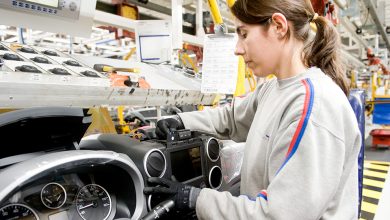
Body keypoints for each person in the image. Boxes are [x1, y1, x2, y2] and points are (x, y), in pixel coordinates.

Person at [144, 0, 362, 219]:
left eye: (244, 34)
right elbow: (231, 118)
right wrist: (182, 121)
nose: (238, 49)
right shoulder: (273, 88)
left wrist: (196, 199)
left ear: (278, 26)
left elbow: (278, 215)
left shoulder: (313, 107)